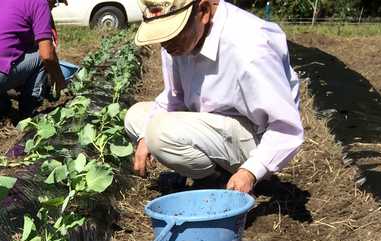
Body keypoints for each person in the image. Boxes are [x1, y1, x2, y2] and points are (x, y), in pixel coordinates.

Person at [124, 0, 304, 194]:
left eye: (173, 33)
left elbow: (286, 128)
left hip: (257, 137)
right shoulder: (178, 41)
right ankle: (212, 171)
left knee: (159, 132)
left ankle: (217, 181)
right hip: (213, 123)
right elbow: (175, 96)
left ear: (203, 11)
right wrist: (144, 138)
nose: (166, 44)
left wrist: (251, 171)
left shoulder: (249, 47)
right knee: (136, 118)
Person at [0, 0, 69, 117]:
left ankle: (2, 99)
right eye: (55, 3)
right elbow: (47, 55)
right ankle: (29, 113)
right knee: (42, 56)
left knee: (4, 107)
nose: (52, 8)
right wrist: (61, 82)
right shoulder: (40, 3)